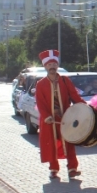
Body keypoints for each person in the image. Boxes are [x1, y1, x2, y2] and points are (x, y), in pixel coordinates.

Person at [34, 50, 84, 180]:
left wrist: (86, 107)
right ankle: (53, 168)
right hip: (50, 119)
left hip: (66, 117)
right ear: (45, 66)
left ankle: (72, 168)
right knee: (51, 143)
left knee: (69, 141)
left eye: (54, 64)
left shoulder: (65, 80)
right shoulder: (41, 84)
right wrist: (46, 116)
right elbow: (40, 103)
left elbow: (75, 96)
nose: (52, 67)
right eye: (49, 64)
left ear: (57, 66)